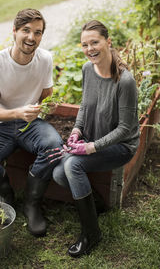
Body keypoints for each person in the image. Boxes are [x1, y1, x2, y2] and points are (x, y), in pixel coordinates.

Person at [0, 8, 63, 237]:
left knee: (54, 146)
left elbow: (47, 95)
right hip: (2, 125)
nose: (32, 37)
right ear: (14, 31)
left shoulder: (45, 59)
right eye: (26, 30)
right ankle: (7, 194)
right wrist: (17, 112)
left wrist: (41, 107)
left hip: (32, 124)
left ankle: (31, 203)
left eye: (38, 32)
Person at [52, 20, 140, 257]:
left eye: (95, 42)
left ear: (108, 42)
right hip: (93, 136)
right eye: (84, 44)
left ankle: (91, 233)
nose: (89, 48)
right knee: (59, 174)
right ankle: (98, 204)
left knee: (72, 165)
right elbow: (85, 104)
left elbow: (125, 129)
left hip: (121, 145)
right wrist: (77, 131)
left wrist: (91, 147)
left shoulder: (125, 81)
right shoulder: (86, 69)